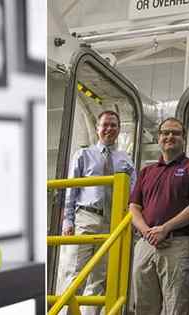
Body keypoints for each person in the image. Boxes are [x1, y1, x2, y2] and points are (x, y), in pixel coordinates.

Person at [60, 110, 136, 315]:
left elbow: (133, 194)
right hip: (86, 217)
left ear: (119, 129)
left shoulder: (125, 160)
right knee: (76, 272)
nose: (109, 129)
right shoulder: (83, 154)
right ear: (97, 129)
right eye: (105, 125)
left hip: (113, 222)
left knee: (100, 278)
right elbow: (71, 189)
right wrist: (68, 220)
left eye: (113, 125)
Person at [129, 117, 189, 315]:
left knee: (176, 306)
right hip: (146, 245)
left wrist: (165, 229)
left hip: (178, 244)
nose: (170, 136)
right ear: (158, 138)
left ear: (184, 138)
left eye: (175, 133)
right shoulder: (146, 172)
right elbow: (134, 208)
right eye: (165, 133)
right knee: (144, 307)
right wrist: (148, 232)